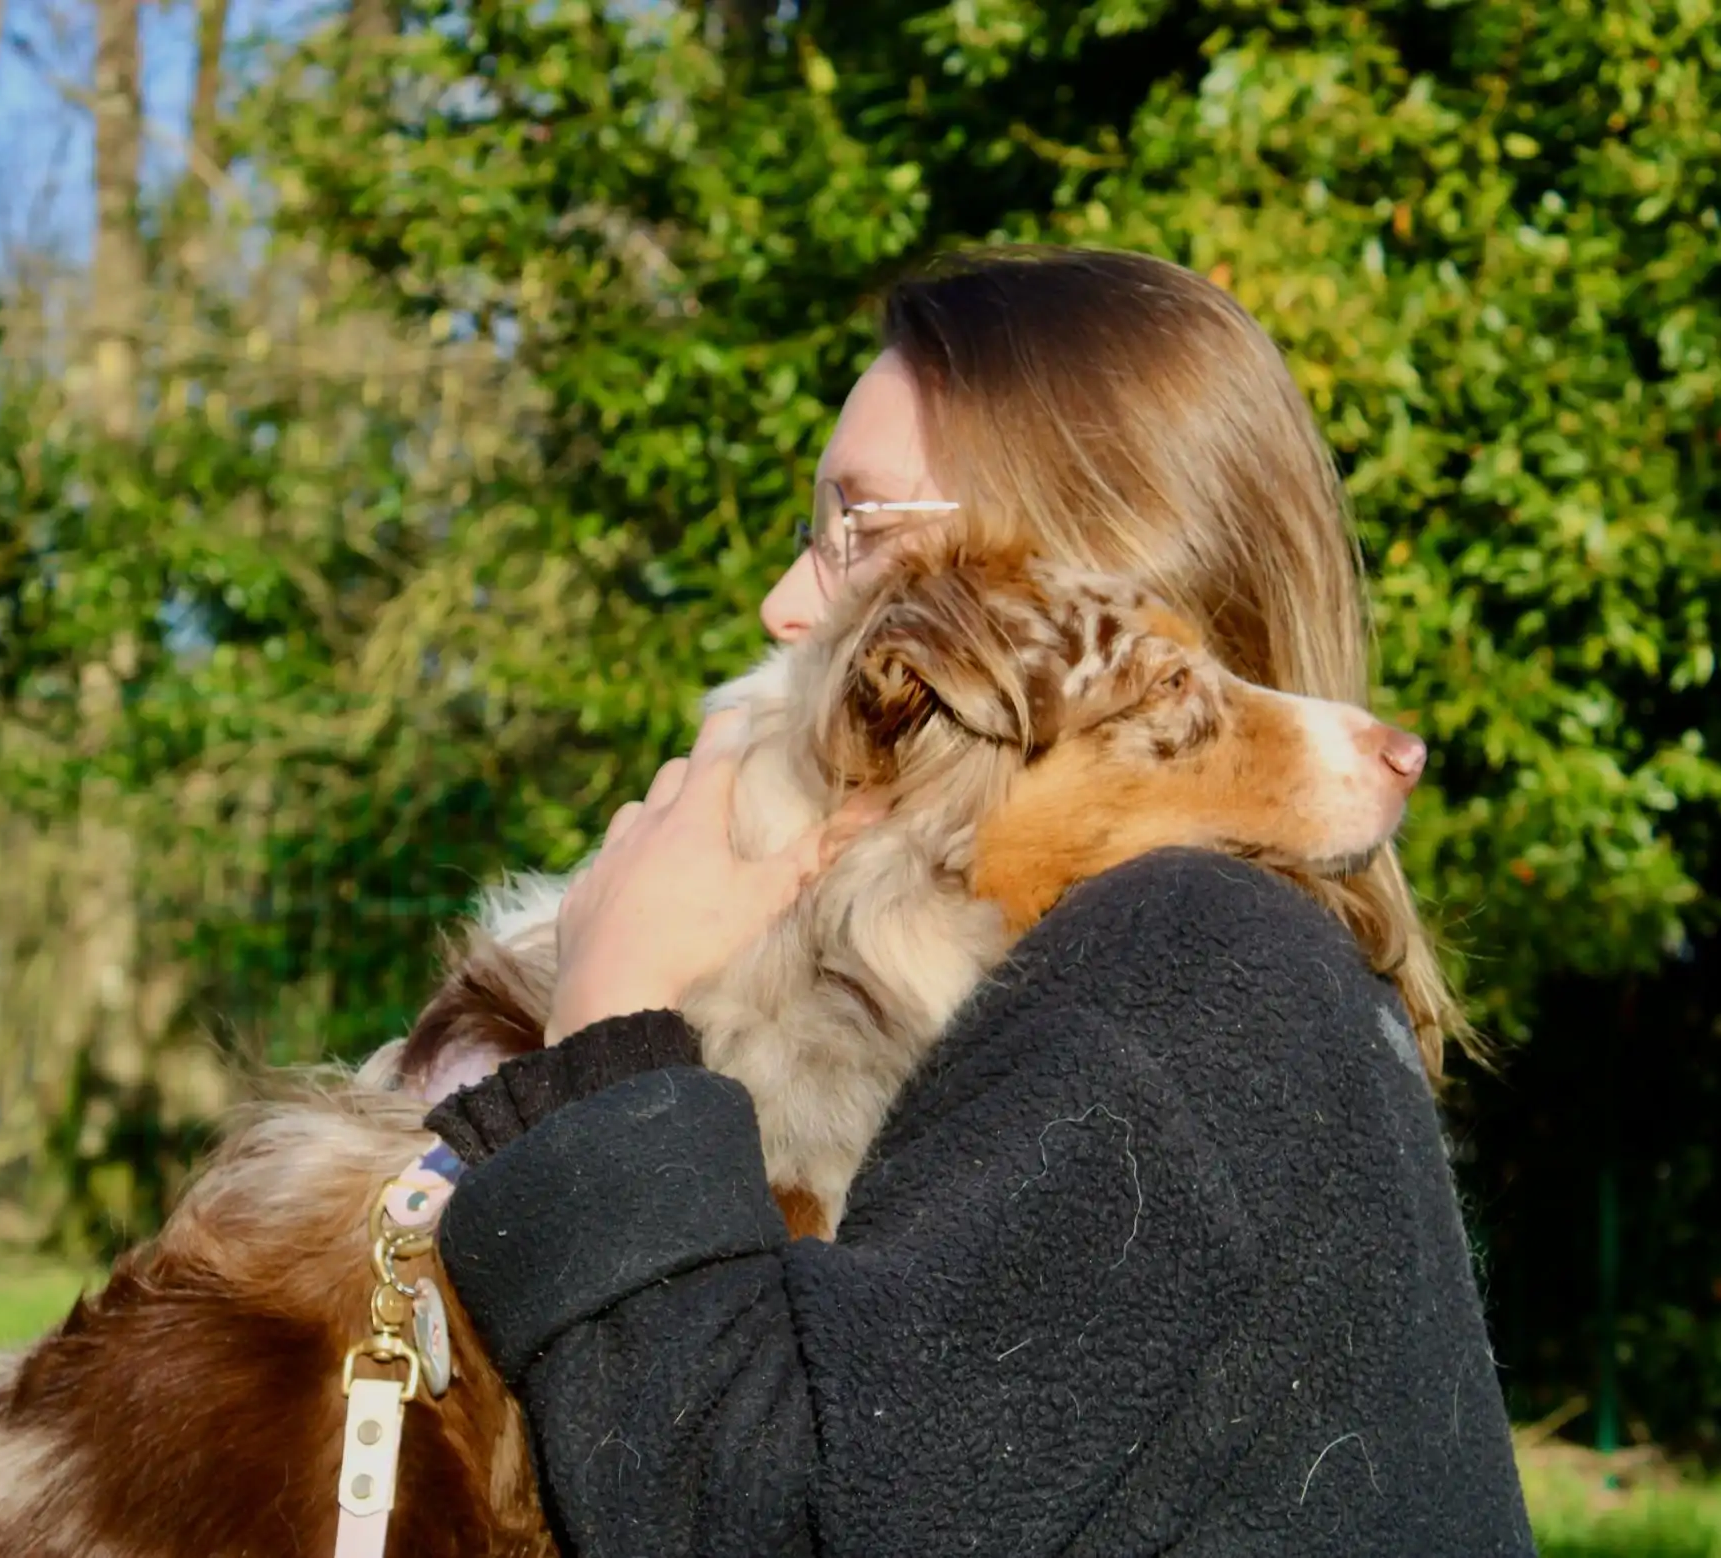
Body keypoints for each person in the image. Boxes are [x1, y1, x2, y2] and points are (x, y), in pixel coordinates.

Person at [427, 247, 1537, 1556]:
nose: (788, 604)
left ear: (1079, 579)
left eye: (865, 531)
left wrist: (612, 1020)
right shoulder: (1206, 978)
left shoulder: (1188, 968)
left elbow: (782, 1526)